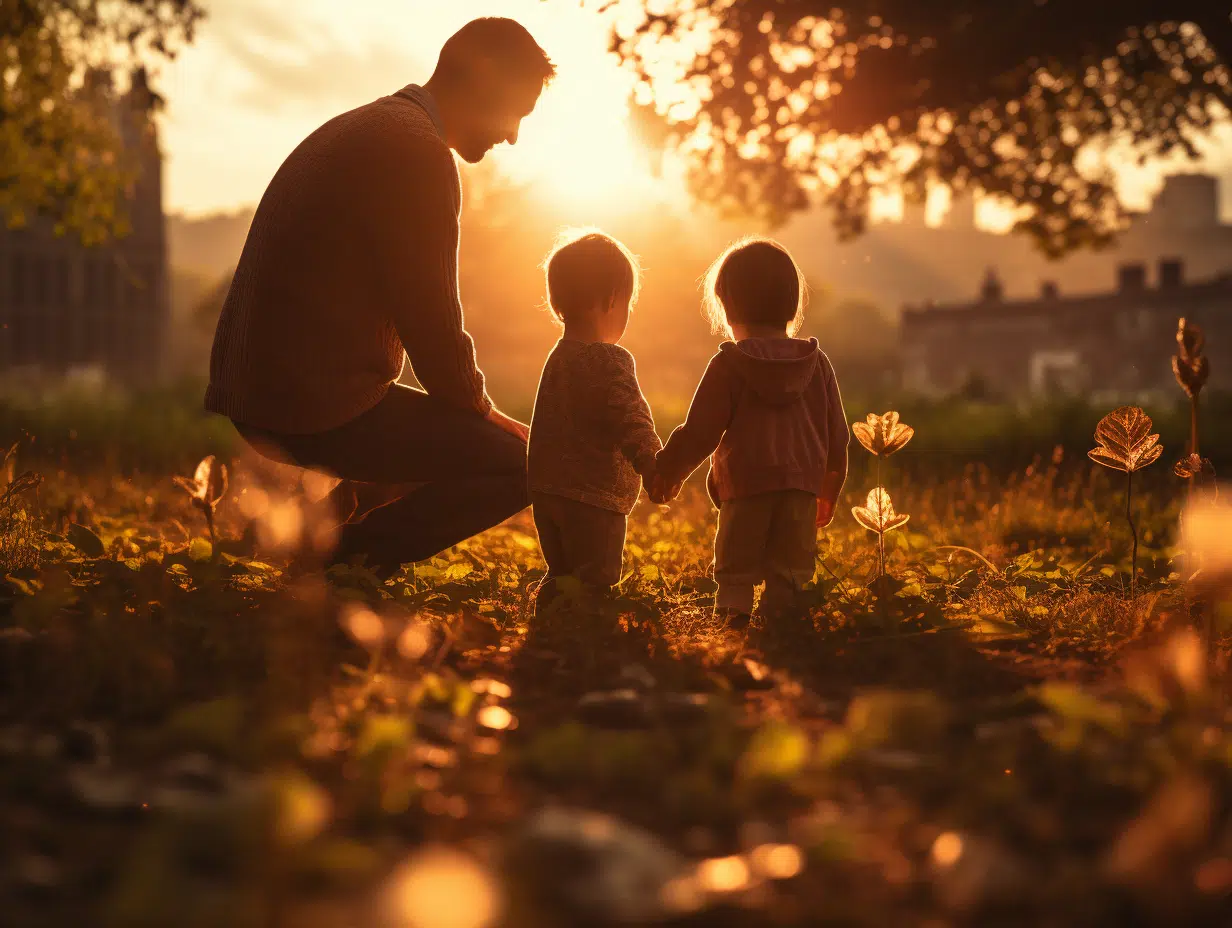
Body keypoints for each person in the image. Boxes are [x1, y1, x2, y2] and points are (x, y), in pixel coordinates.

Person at [203, 18, 554, 575]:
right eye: (517, 111)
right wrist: (484, 411)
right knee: (526, 464)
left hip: (259, 390)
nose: (512, 134)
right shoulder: (418, 153)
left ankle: (306, 528)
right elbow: (432, 325)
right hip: (309, 405)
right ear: (485, 78)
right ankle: (338, 565)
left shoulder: (373, 126)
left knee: (440, 431)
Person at [649, 237, 849, 627]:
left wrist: (668, 470)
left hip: (745, 486)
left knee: (735, 567)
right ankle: (785, 629)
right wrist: (829, 487)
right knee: (792, 569)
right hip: (800, 489)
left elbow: (700, 432)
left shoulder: (730, 365)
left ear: (727, 306)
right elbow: (836, 434)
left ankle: (732, 626)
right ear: (791, 304)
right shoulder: (817, 363)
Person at [527, 230, 661, 610]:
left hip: (547, 491)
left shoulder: (558, 358)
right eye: (628, 303)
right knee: (595, 578)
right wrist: (653, 465)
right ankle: (588, 639)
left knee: (562, 572)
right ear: (613, 299)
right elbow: (632, 419)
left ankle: (549, 623)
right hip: (595, 498)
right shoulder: (610, 360)